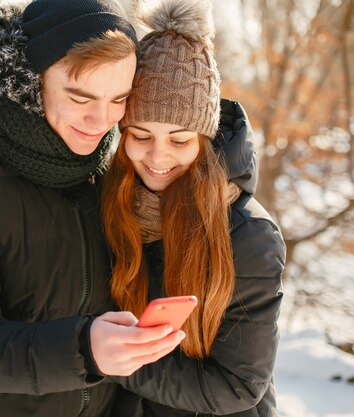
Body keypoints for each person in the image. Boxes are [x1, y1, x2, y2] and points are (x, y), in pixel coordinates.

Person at [0, 1, 187, 416]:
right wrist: (84, 351)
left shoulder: (113, 167)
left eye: (118, 98)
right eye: (79, 96)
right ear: (31, 79)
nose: (100, 120)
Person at [100, 0, 286, 416]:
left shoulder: (248, 234)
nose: (157, 156)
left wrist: (112, 362)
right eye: (140, 135)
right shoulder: (112, 205)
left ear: (204, 141)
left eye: (180, 140)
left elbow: (238, 386)